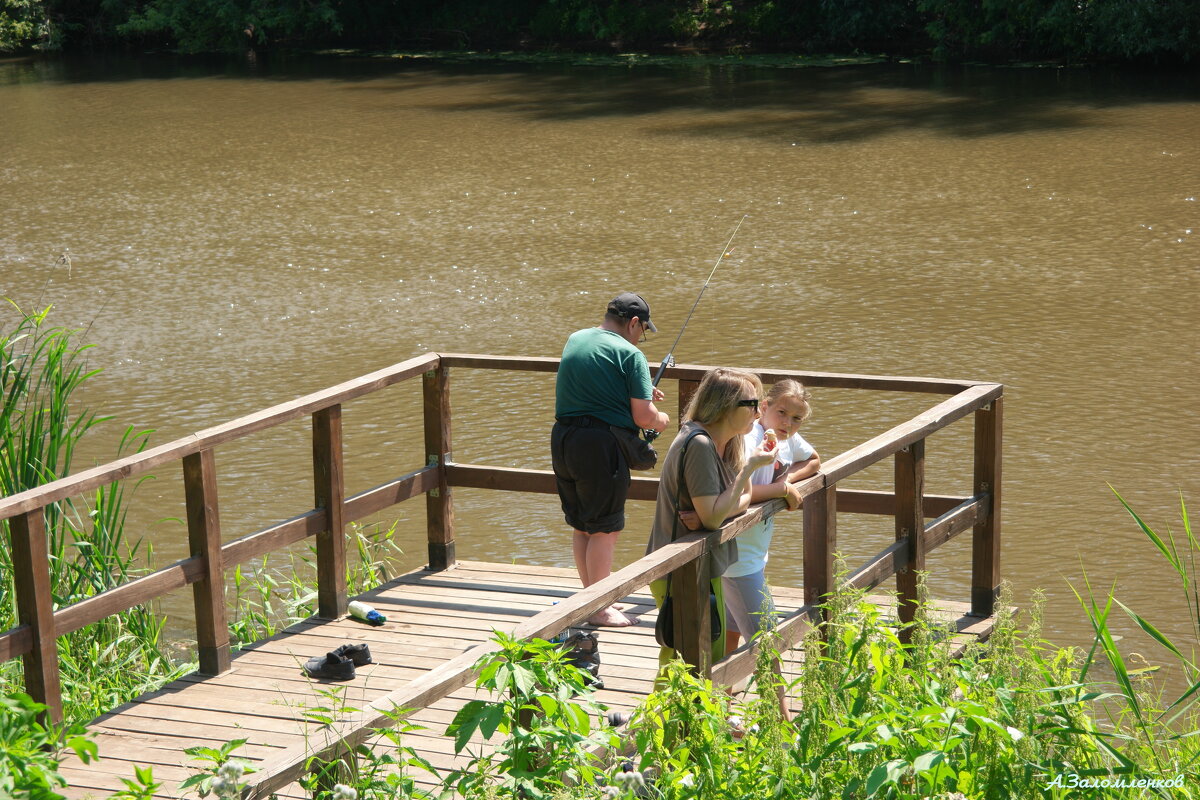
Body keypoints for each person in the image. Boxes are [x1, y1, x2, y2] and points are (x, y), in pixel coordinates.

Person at [552, 292, 670, 627]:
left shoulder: (576, 338)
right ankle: (599, 608)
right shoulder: (630, 354)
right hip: (599, 446)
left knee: (582, 525)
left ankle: (590, 599)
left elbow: (593, 387)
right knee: (605, 530)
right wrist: (659, 417)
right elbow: (644, 417)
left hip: (564, 438)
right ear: (634, 323)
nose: (641, 338)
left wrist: (638, 388)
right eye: (643, 330)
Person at [646, 367, 776, 667]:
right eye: (752, 404)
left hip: (706, 564)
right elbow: (716, 517)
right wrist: (749, 469)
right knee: (681, 661)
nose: (759, 413)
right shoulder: (700, 444)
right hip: (677, 569)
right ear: (725, 405)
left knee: (709, 655)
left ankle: (692, 715)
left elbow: (742, 499)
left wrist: (722, 506)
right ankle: (661, 716)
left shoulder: (727, 442)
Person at [723, 379, 821, 655]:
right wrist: (780, 489)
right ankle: (780, 701)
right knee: (768, 641)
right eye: (781, 413)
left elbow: (814, 459)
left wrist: (787, 478)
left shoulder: (784, 438)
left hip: (756, 552)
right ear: (764, 406)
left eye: (796, 418)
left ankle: (725, 698)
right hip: (736, 556)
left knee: (733, 633)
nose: (788, 423)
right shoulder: (748, 439)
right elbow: (731, 496)